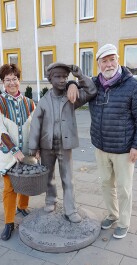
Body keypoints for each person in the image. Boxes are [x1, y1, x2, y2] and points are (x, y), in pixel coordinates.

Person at [67, 44, 137, 238]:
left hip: (124, 149)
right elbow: (80, 86)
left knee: (123, 188)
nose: (109, 64)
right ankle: (113, 214)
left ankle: (124, 222)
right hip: (101, 147)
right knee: (105, 184)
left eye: (112, 59)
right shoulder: (95, 84)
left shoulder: (133, 86)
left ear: (118, 60)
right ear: (98, 64)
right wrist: (72, 83)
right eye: (104, 61)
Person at [29, 62, 97, 223]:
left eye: (65, 77)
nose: (62, 80)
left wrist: (78, 77)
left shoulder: (71, 96)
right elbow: (35, 123)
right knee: (48, 176)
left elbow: (92, 91)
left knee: (68, 178)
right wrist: (33, 145)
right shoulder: (44, 101)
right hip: (47, 145)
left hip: (65, 145)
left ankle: (70, 209)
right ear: (50, 79)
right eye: (57, 76)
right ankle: (50, 200)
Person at [0, 64, 35, 240]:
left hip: (27, 153)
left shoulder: (30, 103)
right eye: (7, 80)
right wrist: (14, 150)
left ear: (19, 80)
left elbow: (36, 128)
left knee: (26, 182)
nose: (12, 83)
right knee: (10, 188)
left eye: (14, 79)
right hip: (9, 154)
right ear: (3, 82)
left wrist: (36, 148)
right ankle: (9, 222)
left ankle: (22, 207)